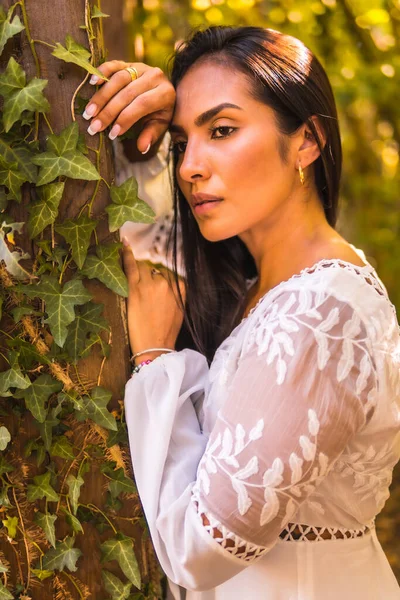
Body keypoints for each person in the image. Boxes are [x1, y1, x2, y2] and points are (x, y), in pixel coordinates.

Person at [85, 26, 400, 600]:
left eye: (222, 130)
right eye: (182, 143)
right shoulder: (262, 290)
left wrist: (156, 360)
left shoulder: (318, 315)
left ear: (307, 141)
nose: (189, 168)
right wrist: (140, 131)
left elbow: (200, 550)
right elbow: (141, 249)